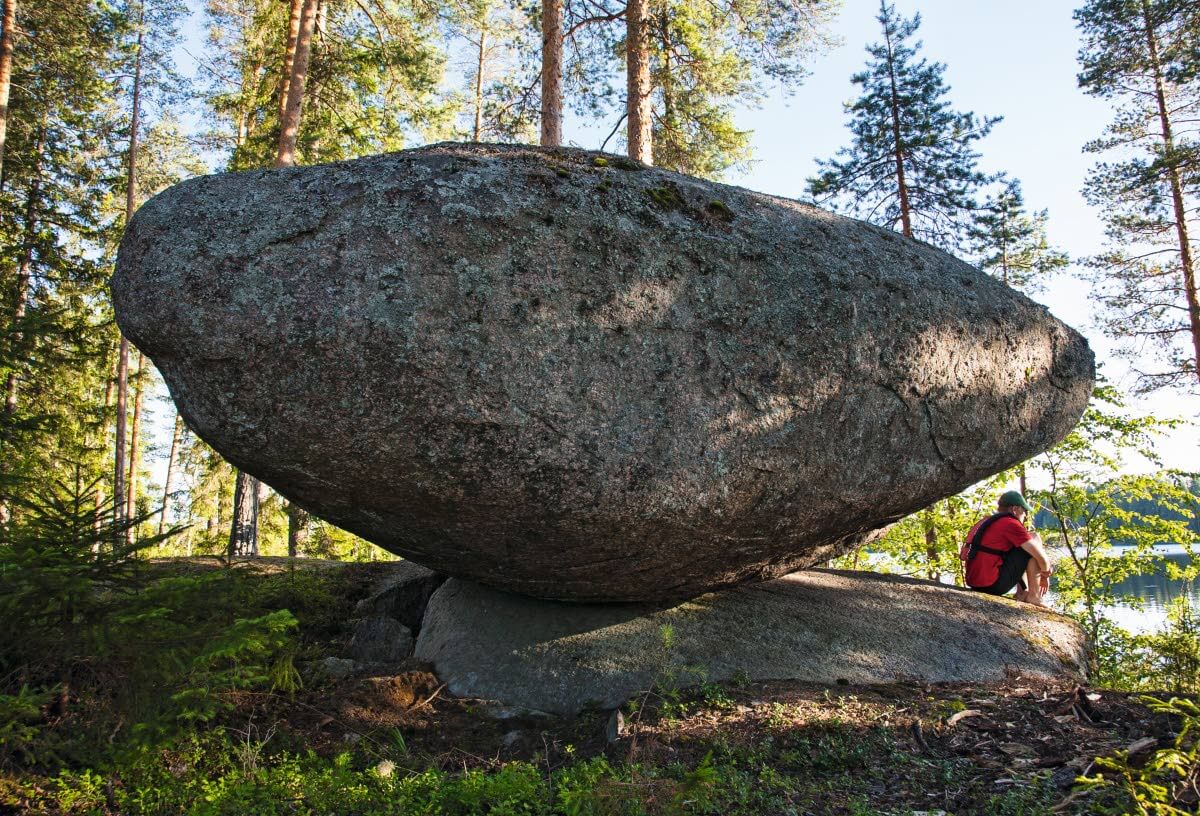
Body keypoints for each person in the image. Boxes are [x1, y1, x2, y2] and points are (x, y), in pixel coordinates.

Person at [962, 490, 1053, 606]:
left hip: (973, 582)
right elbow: (1040, 556)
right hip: (991, 585)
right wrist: (1045, 576)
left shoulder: (986, 521)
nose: (1025, 516)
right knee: (1032, 547)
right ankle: (1034, 596)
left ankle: (1022, 593)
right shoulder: (1010, 523)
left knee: (1031, 539)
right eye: (1024, 511)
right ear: (1015, 509)